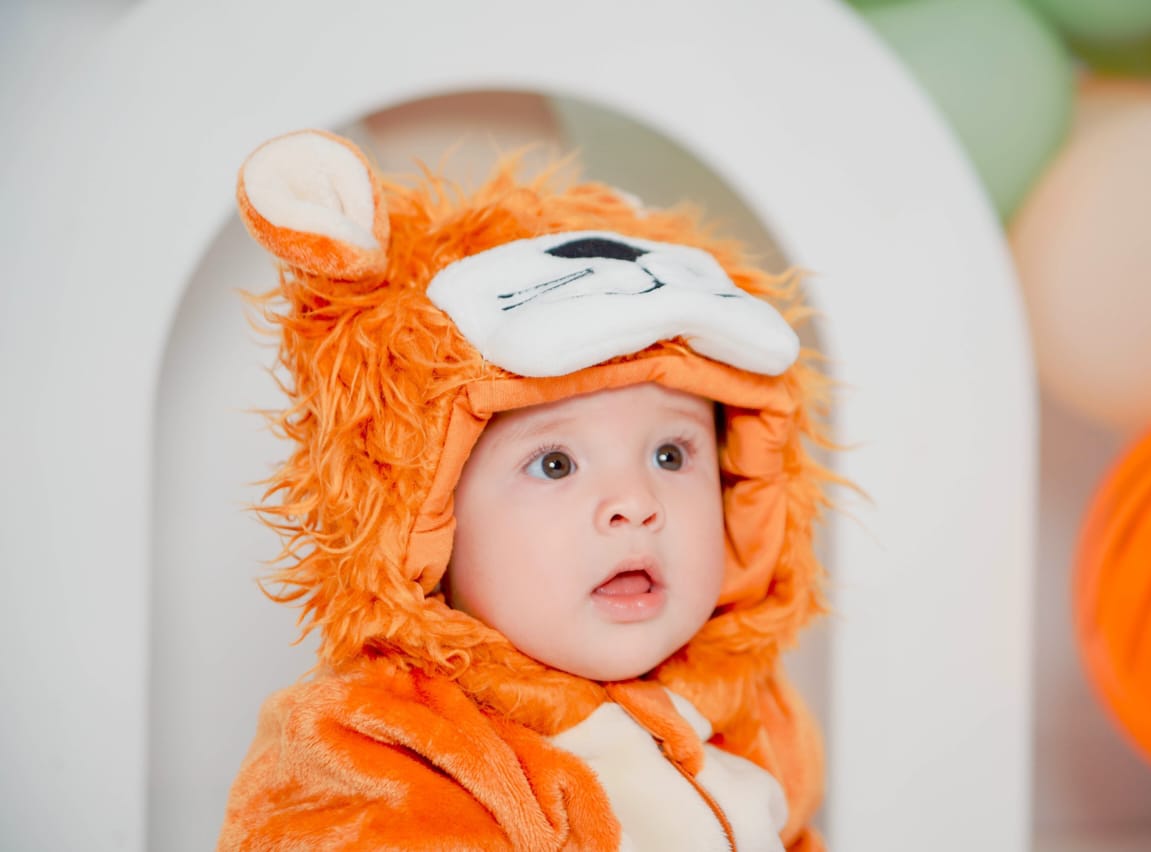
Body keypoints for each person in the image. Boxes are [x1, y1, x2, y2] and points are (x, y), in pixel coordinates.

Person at [219, 128, 834, 851]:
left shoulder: (751, 713)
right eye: (556, 464)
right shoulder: (380, 752)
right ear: (428, 516)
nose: (636, 504)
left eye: (671, 454)